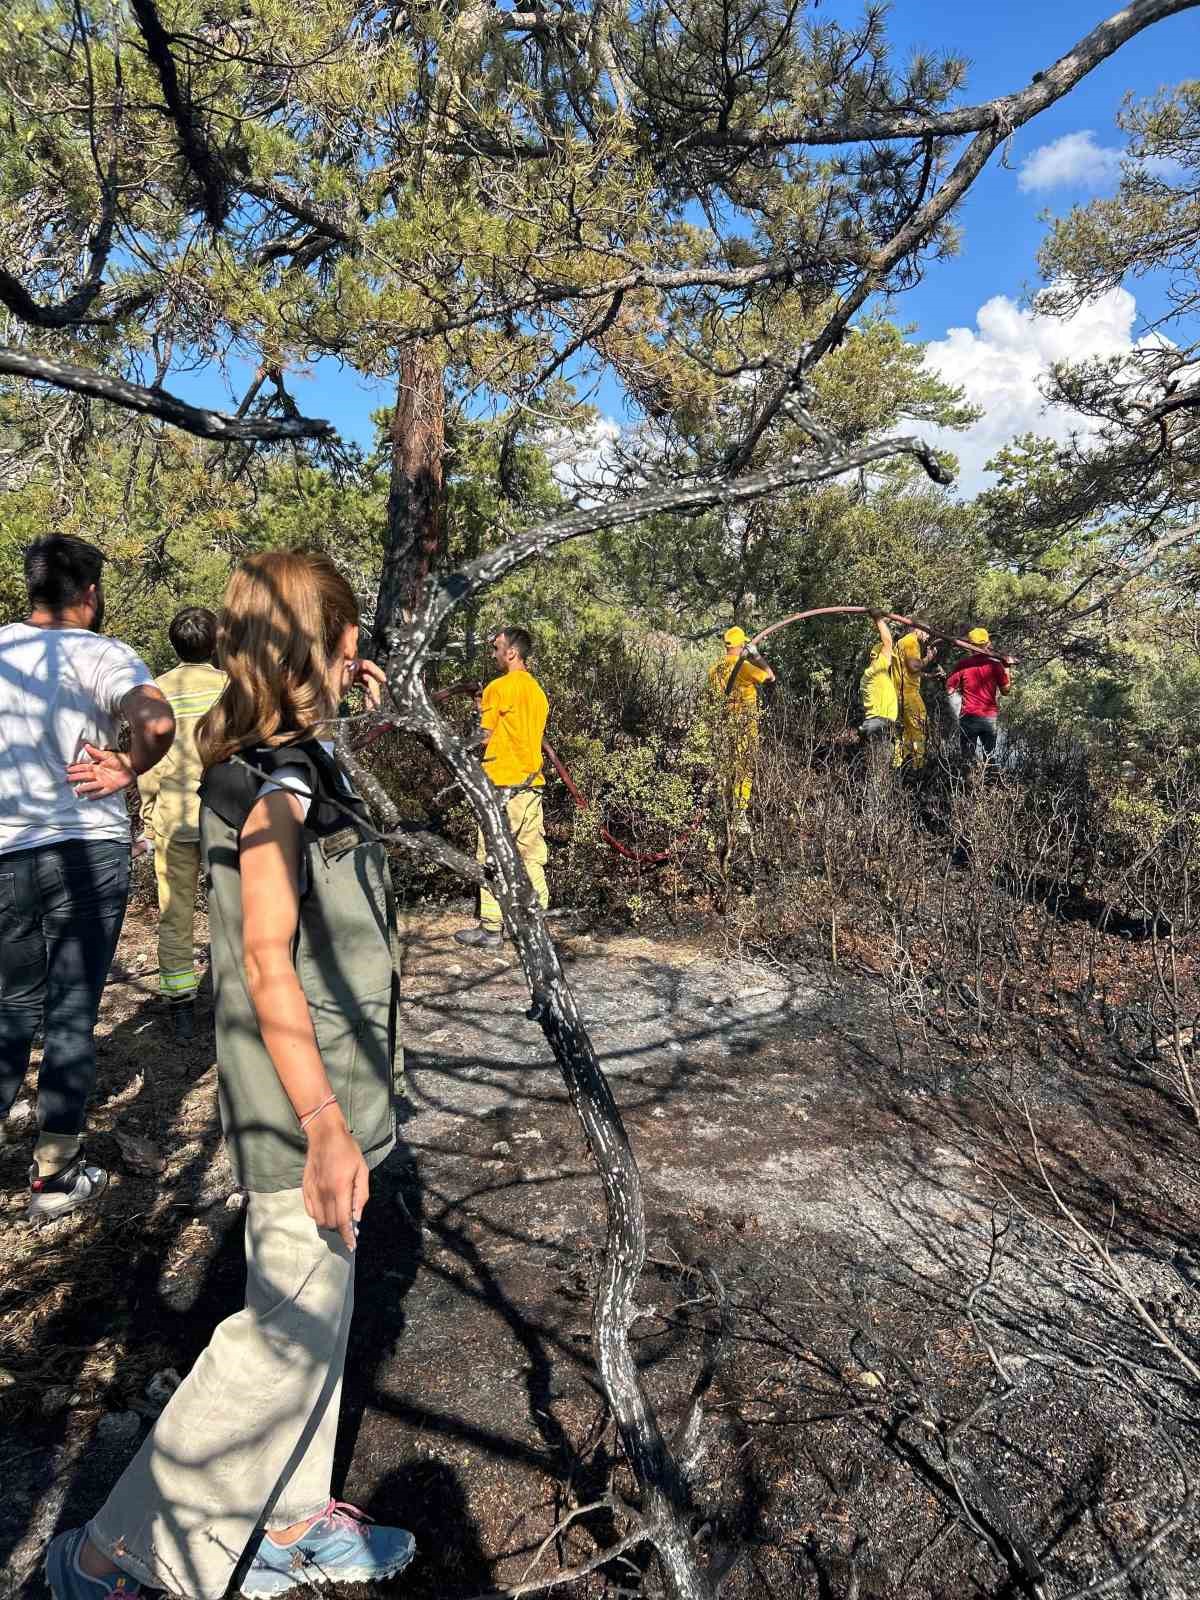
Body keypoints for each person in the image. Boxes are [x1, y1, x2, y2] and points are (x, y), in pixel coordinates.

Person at [46, 550, 415, 1600]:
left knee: (319, 1314)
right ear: (323, 647)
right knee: (280, 1335)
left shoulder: (295, 758)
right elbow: (263, 957)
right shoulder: (273, 782)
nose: (359, 659)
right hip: (306, 1105)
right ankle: (115, 1557)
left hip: (335, 1088)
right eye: (349, 644)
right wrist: (323, 1121)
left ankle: (291, 1523)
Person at [0, 535, 174, 1224]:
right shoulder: (104, 655)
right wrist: (131, 766)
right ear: (91, 594)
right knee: (71, 1012)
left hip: (7, 853)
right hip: (85, 852)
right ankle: (54, 1176)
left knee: (10, 1005)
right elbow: (155, 720)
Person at [137, 606, 226, 1040]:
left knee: (176, 913)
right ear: (216, 642)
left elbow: (148, 763)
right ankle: (238, 996)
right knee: (236, 911)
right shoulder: (231, 687)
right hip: (227, 816)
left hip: (174, 817)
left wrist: (148, 814)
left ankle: (181, 1007)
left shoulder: (155, 691)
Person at [455, 625, 551, 949]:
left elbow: (484, 735)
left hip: (501, 785)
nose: (494, 653)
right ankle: (537, 926)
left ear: (511, 652)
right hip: (532, 785)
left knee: (492, 855)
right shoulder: (537, 692)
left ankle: (492, 928)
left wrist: (454, 746)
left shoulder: (499, 688)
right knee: (531, 856)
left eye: (497, 647)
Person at [707, 626, 775, 830]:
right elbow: (770, 676)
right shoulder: (744, 667)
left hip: (723, 724)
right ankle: (738, 815)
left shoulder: (714, 669)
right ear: (742, 645)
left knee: (725, 766)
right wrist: (757, 656)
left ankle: (721, 808)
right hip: (745, 726)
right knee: (744, 768)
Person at [946, 627, 1013, 762]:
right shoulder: (996, 665)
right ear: (988, 644)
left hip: (968, 716)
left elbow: (949, 690)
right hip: (989, 717)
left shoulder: (963, 665)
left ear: (969, 646)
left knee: (967, 759)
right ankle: (989, 781)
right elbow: (1006, 691)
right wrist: (1007, 669)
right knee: (990, 758)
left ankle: (968, 781)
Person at [890, 623, 939, 769]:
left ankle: (899, 765)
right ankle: (919, 766)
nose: (928, 636)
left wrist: (929, 675)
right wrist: (929, 658)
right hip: (909, 695)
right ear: (918, 630)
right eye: (927, 632)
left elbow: (906, 671)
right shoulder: (911, 642)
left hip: (898, 695)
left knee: (905, 732)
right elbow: (913, 666)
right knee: (920, 729)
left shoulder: (900, 643)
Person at [859, 610, 898, 761]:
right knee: (880, 768)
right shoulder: (878, 669)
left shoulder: (871, 674)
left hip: (875, 723)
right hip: (878, 724)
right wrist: (878, 619)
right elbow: (887, 641)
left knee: (872, 766)